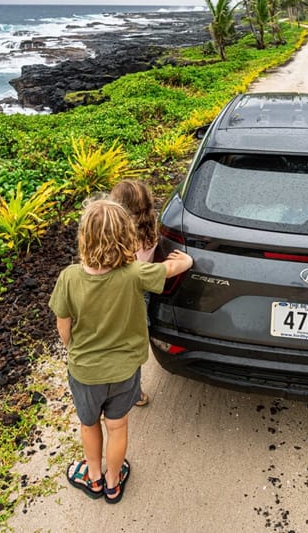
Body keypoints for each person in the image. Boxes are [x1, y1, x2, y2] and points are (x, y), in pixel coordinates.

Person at [49, 199, 192, 504]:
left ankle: (94, 477)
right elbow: (168, 268)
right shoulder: (134, 274)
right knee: (118, 426)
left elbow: (64, 326)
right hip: (125, 371)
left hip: (85, 372)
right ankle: (114, 482)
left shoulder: (70, 278)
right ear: (126, 237)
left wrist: (73, 348)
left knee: (89, 425)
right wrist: (186, 262)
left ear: (84, 237)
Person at [109, 179, 159, 407]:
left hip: (114, 293)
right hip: (141, 295)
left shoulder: (116, 236)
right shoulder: (151, 229)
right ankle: (134, 392)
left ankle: (109, 389)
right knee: (132, 348)